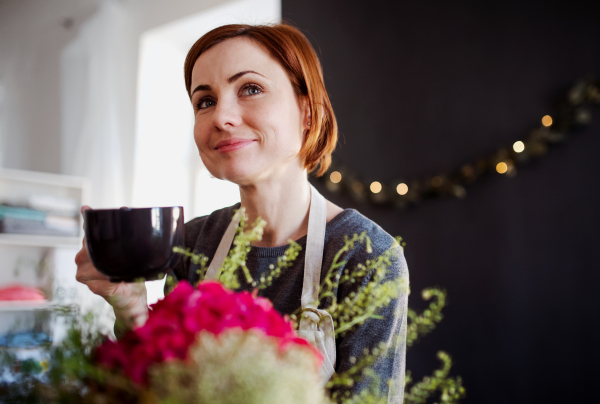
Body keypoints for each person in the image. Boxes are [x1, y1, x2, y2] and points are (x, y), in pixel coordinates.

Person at [75, 23, 408, 403]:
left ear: (308, 113)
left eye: (250, 89)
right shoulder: (193, 242)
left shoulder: (366, 256)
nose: (221, 117)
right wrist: (131, 309)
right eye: (205, 101)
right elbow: (160, 388)